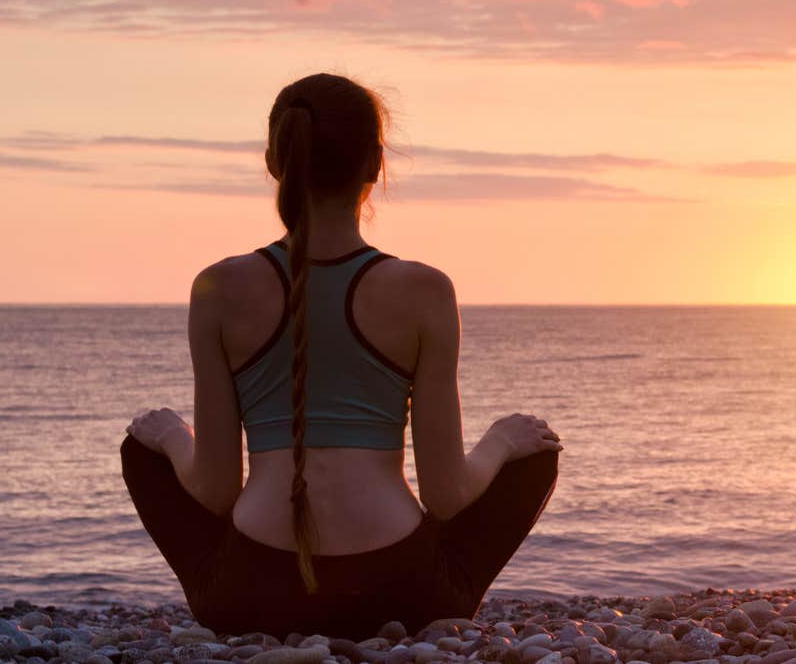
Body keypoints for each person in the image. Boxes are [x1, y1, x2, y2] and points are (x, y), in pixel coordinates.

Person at [118, 72, 564, 641]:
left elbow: (215, 492)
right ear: (375, 164)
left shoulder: (216, 287)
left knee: (143, 446)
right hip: (404, 594)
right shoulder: (425, 290)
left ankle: (224, 612)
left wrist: (173, 435)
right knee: (534, 448)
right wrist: (502, 440)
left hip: (250, 594)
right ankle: (441, 616)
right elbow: (447, 497)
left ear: (275, 162)